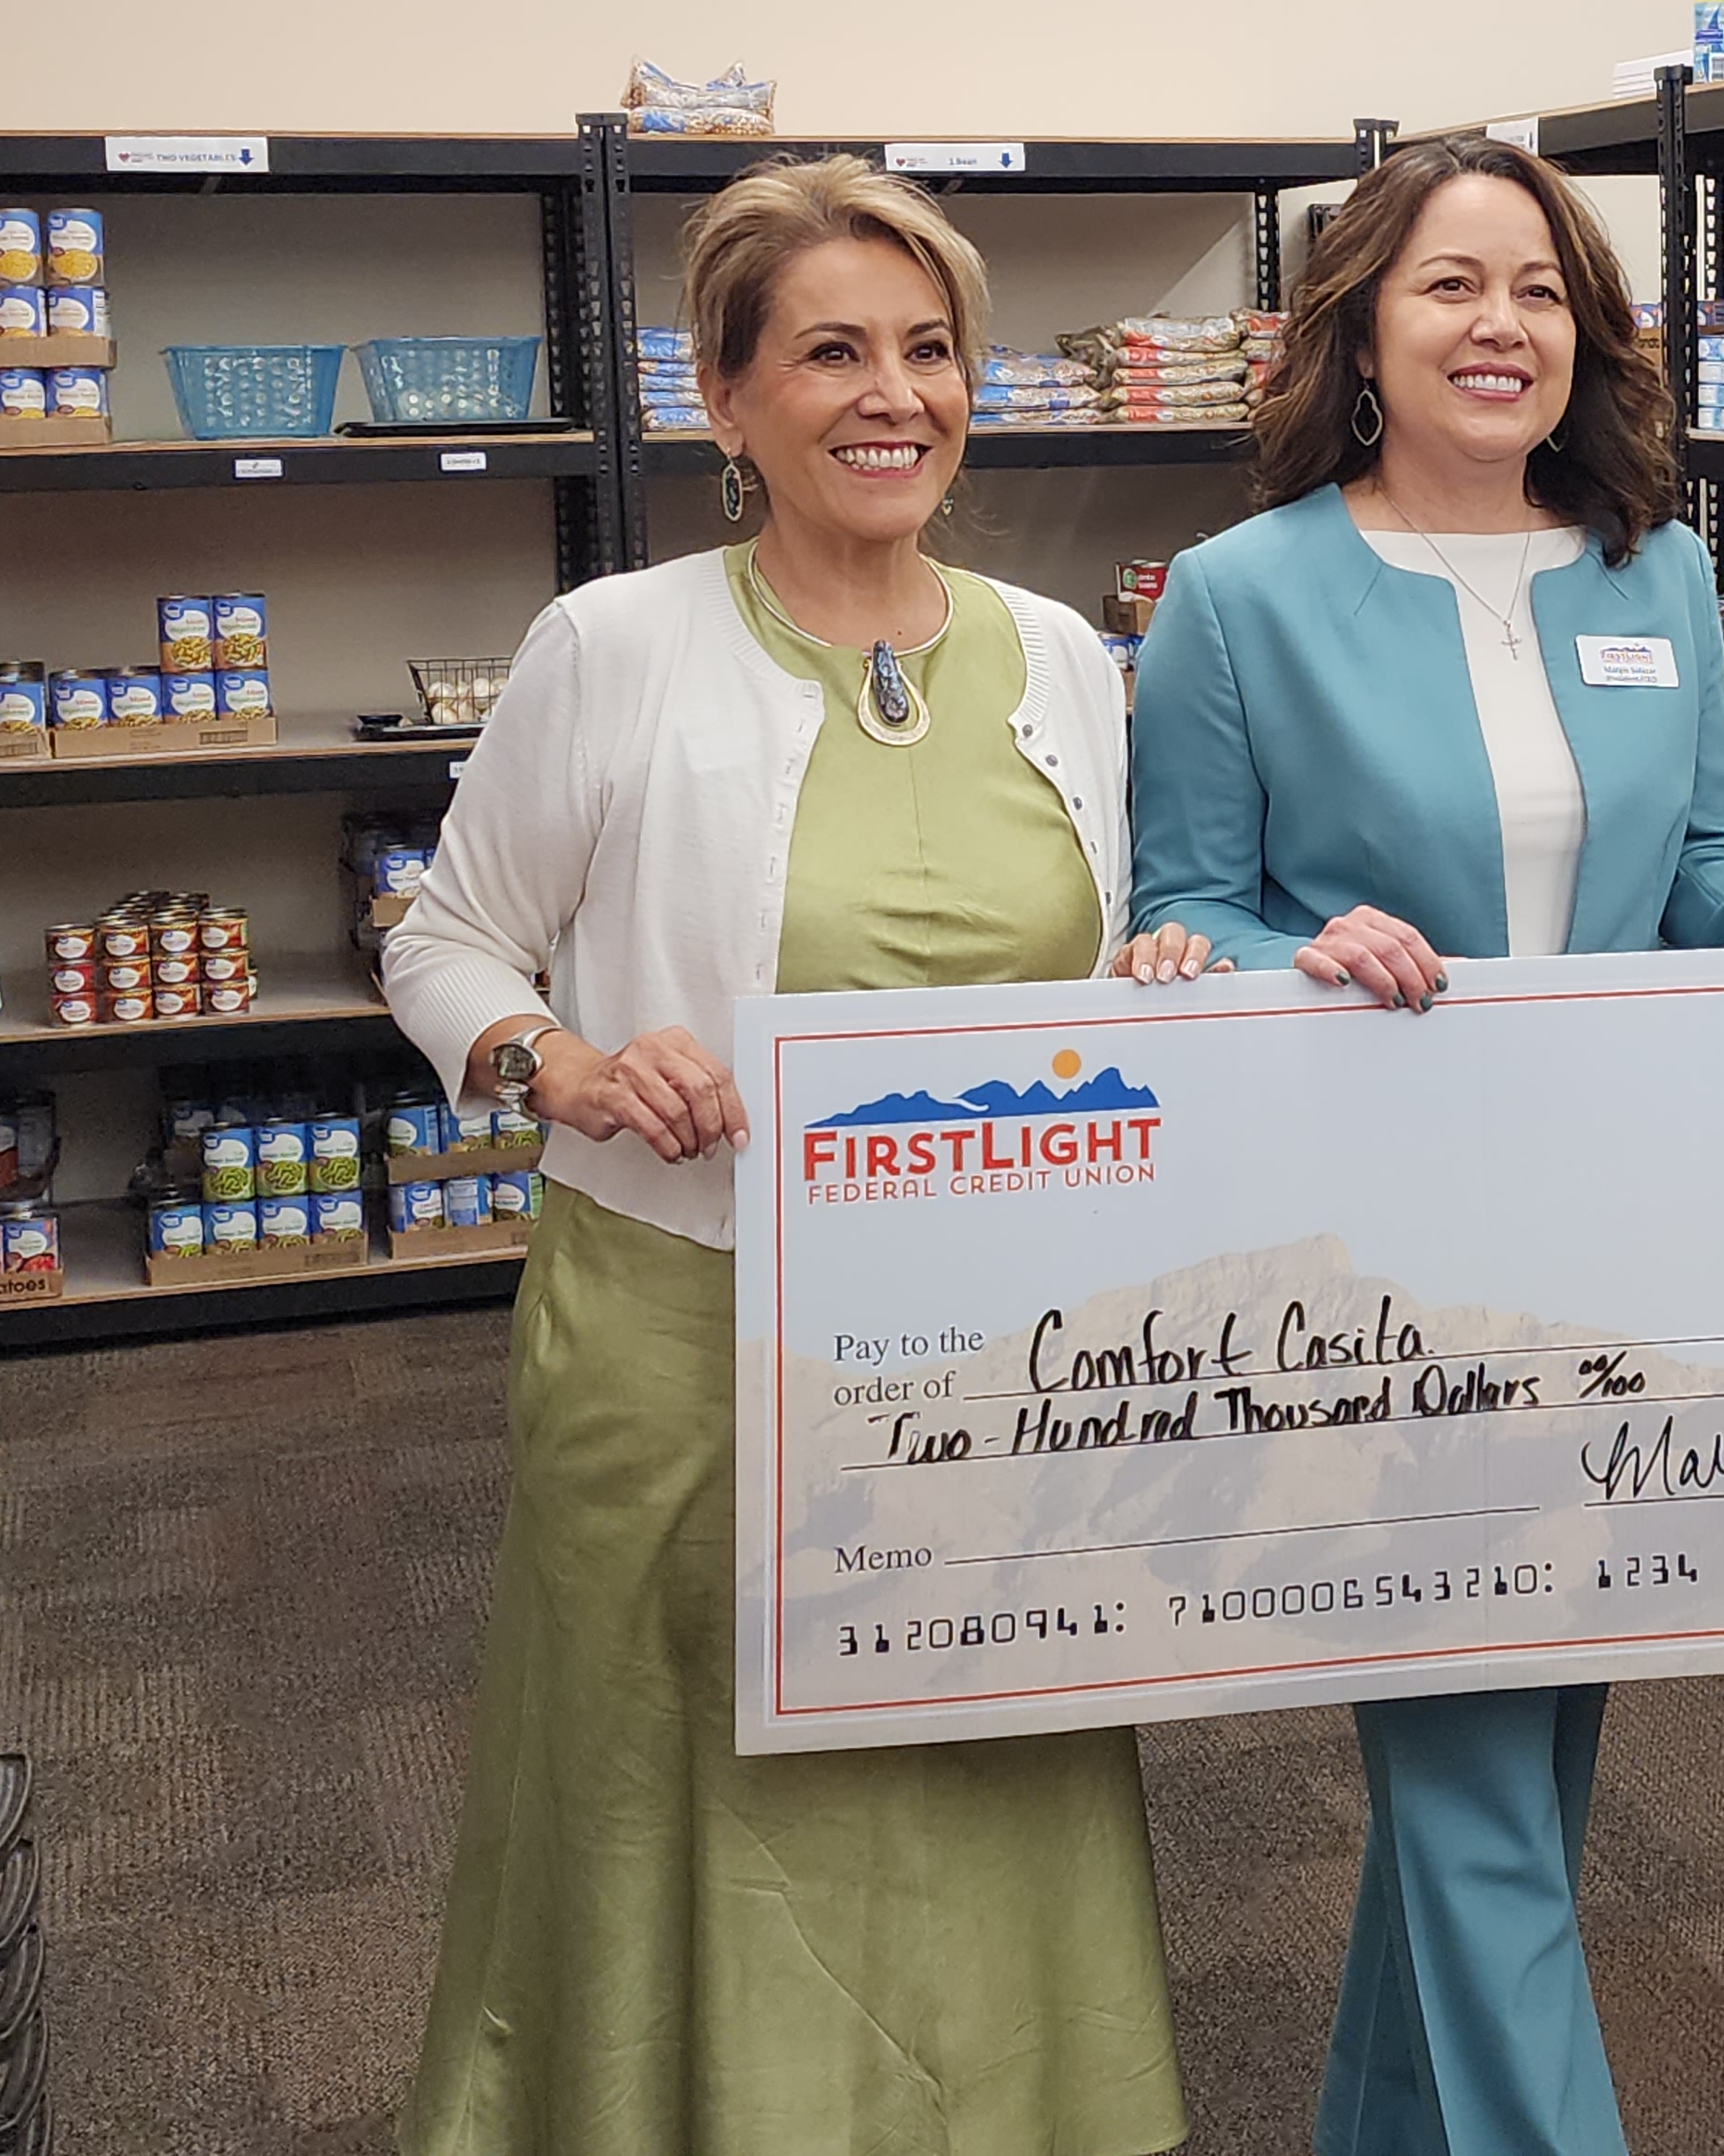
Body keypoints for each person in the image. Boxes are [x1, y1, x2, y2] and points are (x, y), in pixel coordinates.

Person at [380, 157, 1185, 2156]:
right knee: (675, 1781)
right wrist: (554, 1063)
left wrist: (1160, 970)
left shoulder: (1064, 661)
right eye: (828, 351)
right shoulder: (613, 646)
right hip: (687, 1338)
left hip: (996, 1353)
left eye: (928, 352)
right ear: (723, 400)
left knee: (990, 1760)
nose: (888, 394)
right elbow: (440, 937)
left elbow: (1105, 956)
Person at [1123, 135, 1724, 2156]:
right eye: (1453, 286)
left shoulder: (1652, 567)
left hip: (1618, 1235)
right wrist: (1299, 952)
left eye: (1541, 290)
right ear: (1361, 330)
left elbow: (1703, 867)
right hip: (1373, 1256)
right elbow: (1180, 908)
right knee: (1472, 1771)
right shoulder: (1235, 596)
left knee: (1531, 1737)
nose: (1501, 326)